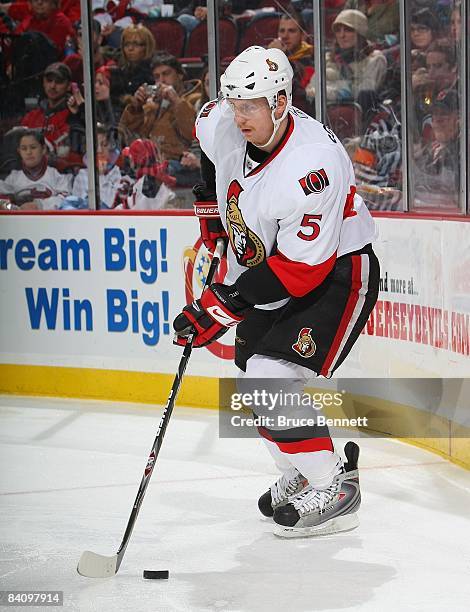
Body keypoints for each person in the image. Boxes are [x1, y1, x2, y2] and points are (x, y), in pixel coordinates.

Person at [173, 46, 380, 537]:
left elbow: (301, 271)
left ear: (281, 102)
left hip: (335, 272)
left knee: (270, 372)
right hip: (275, 264)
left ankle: (336, 484)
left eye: (250, 105)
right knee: (251, 377)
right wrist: (210, 214)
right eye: (233, 103)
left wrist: (220, 304)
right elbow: (208, 146)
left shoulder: (312, 165)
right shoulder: (226, 121)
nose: (237, 115)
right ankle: (300, 470)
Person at [119, 53, 198, 186]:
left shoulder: (194, 99)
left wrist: (176, 101)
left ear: (180, 75)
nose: (161, 80)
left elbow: (192, 133)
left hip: (178, 164)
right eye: (156, 77)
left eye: (166, 74)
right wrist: (136, 107)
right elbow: (125, 133)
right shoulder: (152, 105)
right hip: (149, 163)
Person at [305, 9, 387, 114]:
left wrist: (329, 92)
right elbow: (310, 89)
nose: (342, 35)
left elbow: (361, 93)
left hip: (356, 118)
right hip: (323, 113)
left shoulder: (375, 59)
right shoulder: (327, 58)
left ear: (360, 33)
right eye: (338, 30)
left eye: (348, 30)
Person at [0, 128, 71, 209]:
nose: (28, 152)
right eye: (24, 149)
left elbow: (67, 199)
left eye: (33, 147)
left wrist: (40, 205)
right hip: (19, 220)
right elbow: (1, 202)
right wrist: (11, 208)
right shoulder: (13, 178)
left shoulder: (56, 176)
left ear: (43, 149)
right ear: (19, 152)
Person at [21, 62, 73, 160]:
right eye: (49, 80)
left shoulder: (73, 115)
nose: (52, 86)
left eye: (59, 81)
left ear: (69, 86)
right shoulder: (32, 115)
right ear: (43, 83)